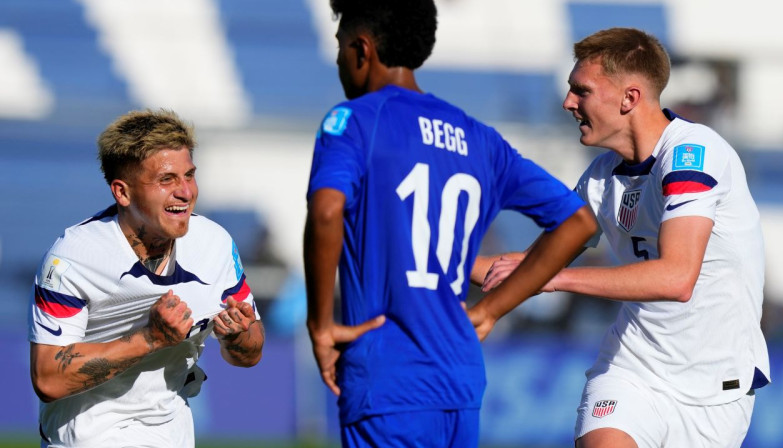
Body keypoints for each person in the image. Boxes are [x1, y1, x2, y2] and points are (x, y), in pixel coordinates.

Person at [303, 0, 597, 446]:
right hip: (458, 380)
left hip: (388, 378)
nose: (341, 59)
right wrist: (490, 309)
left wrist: (320, 325)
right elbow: (577, 221)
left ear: (362, 49)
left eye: (343, 46)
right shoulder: (479, 139)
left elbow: (326, 211)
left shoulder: (356, 121)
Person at [475, 28, 771, 448]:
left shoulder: (694, 153)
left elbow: (676, 279)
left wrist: (554, 278)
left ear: (629, 98)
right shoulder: (600, 178)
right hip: (631, 371)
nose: (568, 103)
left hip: (716, 392)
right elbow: (525, 267)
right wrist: (424, 261)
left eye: (581, 91)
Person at [28, 109, 265, 447]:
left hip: (173, 431)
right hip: (88, 436)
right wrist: (151, 339)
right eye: (166, 180)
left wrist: (237, 337)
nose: (185, 192)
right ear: (122, 193)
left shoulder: (214, 244)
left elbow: (250, 353)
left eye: (189, 175)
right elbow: (47, 379)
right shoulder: (73, 258)